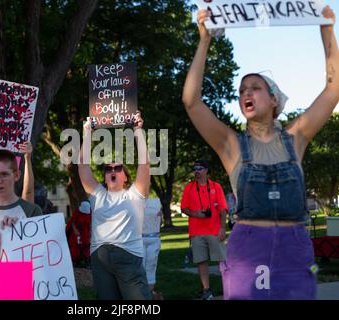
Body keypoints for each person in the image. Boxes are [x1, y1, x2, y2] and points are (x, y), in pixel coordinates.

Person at [182, 7, 338, 299]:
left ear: (274, 99)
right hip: (248, 249)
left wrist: (326, 29)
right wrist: (204, 40)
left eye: (255, 87)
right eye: (242, 91)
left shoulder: (298, 136)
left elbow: (333, 90)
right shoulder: (230, 144)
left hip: (295, 246)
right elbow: (191, 102)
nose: (246, 94)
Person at [78, 112, 152, 300]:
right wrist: (87, 132)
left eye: (117, 168)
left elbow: (144, 164)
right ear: (104, 176)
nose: (112, 170)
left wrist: (137, 131)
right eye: (108, 169)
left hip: (128, 258)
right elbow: (83, 166)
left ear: (125, 176)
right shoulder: (97, 195)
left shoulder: (135, 194)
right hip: (100, 259)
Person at [180, 160, 228, 300]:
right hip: (196, 232)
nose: (197, 171)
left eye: (200, 168)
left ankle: (229, 286)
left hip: (214, 230)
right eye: (195, 168)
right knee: (201, 262)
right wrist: (196, 214)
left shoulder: (216, 186)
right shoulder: (189, 188)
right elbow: (184, 208)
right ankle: (206, 290)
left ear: (206, 170)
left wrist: (223, 228)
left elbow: (223, 209)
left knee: (222, 260)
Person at [0, 148, 42, 233]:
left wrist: (20, 231)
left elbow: (39, 244)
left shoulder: (32, 211)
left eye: (4, 174)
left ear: (16, 175)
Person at [142, 198, 163, 300]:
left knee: (151, 267)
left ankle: (150, 295)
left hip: (153, 237)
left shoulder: (155, 202)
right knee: (141, 268)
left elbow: (159, 223)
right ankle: (143, 295)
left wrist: (160, 217)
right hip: (139, 239)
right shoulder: (132, 199)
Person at [66, 200, 92, 268]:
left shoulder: (90, 213)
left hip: (85, 232)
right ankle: (75, 261)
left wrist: (90, 232)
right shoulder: (77, 212)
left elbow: (91, 223)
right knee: (75, 246)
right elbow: (72, 221)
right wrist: (75, 230)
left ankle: (86, 261)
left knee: (86, 245)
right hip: (75, 232)